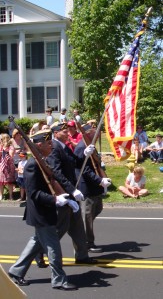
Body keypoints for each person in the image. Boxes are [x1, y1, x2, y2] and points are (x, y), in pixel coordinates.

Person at [8, 130, 77, 291]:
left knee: (36, 243)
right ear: (39, 145)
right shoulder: (32, 165)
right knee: (53, 247)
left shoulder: (43, 162)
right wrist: (55, 200)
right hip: (40, 212)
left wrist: (66, 196)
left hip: (45, 210)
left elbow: (53, 181)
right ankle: (59, 279)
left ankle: (16, 271)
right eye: (48, 142)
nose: (52, 144)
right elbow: (33, 193)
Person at [46, 122, 96, 263]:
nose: (67, 133)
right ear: (55, 133)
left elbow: (75, 163)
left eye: (67, 130)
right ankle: (39, 253)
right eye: (63, 131)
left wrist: (84, 155)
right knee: (59, 229)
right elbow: (56, 173)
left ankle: (82, 256)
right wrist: (72, 190)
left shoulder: (64, 147)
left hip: (71, 193)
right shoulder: (53, 148)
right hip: (64, 193)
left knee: (78, 227)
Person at [74, 124, 112, 253]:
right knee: (87, 217)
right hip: (87, 187)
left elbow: (96, 163)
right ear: (89, 135)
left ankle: (84, 234)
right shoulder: (81, 148)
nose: (97, 138)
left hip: (95, 188)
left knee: (97, 209)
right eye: (95, 135)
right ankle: (87, 243)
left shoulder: (90, 147)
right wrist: (99, 180)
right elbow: (85, 170)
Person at [0, 133, 15, 200]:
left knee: (10, 182)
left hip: (9, 166)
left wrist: (5, 150)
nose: (1, 140)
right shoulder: (0, 146)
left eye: (7, 138)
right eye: (2, 139)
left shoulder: (11, 147)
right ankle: (1, 195)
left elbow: (11, 155)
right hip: (1, 165)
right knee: (1, 182)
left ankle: (11, 195)